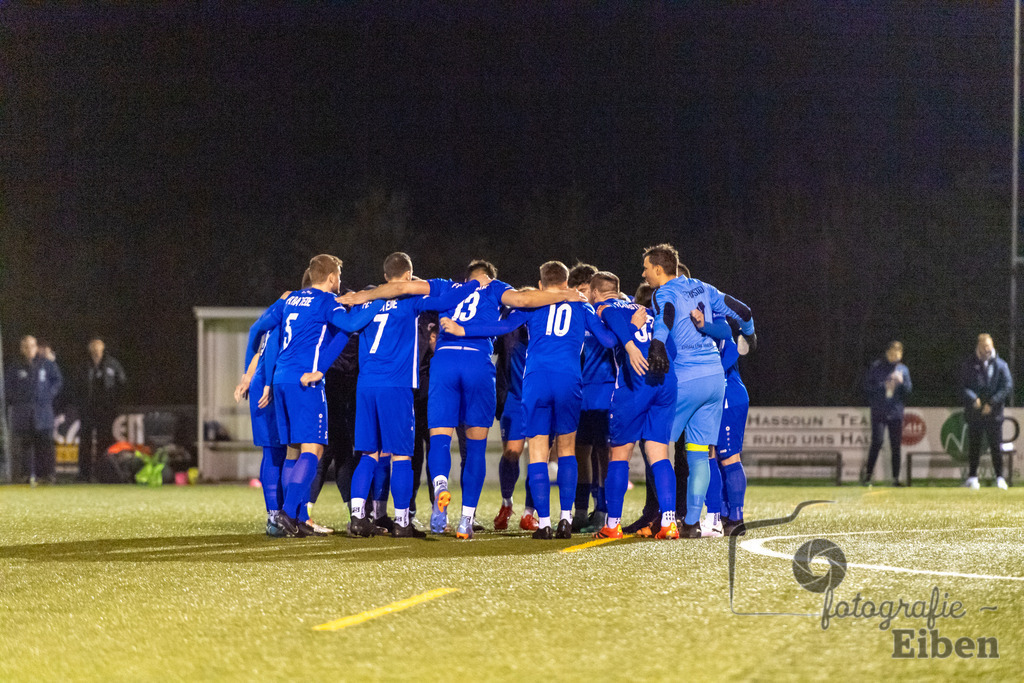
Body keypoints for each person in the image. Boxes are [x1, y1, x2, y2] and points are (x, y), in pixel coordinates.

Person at [339, 260, 586, 536]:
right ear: (489, 278)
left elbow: (401, 286)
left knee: (439, 440)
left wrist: (365, 294)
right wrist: (566, 294)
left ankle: (441, 485)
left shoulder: (445, 286)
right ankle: (466, 520)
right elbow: (523, 299)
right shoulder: (495, 288)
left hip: (443, 363)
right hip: (477, 364)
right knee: (476, 447)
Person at [442, 261, 618, 539]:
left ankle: (544, 523)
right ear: (566, 282)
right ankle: (565, 519)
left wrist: (463, 330)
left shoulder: (533, 305)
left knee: (537, 450)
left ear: (540, 284)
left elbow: (500, 327)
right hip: (568, 380)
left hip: (536, 381)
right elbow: (608, 341)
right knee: (567, 449)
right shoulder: (582, 305)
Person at [343, 252, 479, 538]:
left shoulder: (367, 299)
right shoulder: (410, 300)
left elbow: (350, 327)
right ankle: (403, 521)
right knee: (403, 455)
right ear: (409, 276)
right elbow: (449, 300)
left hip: (366, 385)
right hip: (396, 385)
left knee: (368, 453)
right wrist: (473, 285)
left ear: (385, 276)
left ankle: (358, 517)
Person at [249, 254, 386, 536]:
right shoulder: (326, 302)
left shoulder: (289, 299)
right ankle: (287, 514)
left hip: (280, 379)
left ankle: (297, 518)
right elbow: (350, 326)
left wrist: (246, 371)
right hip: (304, 381)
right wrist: (378, 301)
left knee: (293, 451)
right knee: (314, 450)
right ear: (332, 277)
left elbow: (259, 327)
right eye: (338, 275)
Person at [643, 243, 755, 538]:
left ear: (658, 268)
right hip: (715, 380)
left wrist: (656, 344)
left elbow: (666, 316)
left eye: (646, 268)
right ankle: (692, 522)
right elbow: (742, 311)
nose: (644, 274)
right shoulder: (704, 287)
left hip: (687, 379)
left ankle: (668, 518)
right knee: (698, 454)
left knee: (657, 445)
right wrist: (750, 333)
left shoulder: (663, 292)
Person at [590, 271, 681, 539]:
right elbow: (671, 349)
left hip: (635, 383)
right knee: (660, 455)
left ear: (596, 292)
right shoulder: (645, 309)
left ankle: (612, 524)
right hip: (665, 381)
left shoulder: (604, 306)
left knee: (619, 456)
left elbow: (610, 334)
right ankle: (668, 522)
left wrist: (629, 345)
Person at [569, 263, 615, 532]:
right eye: (578, 291)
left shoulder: (607, 312)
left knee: (604, 453)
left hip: (605, 391)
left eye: (586, 291)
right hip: (579, 392)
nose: (582, 296)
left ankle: (604, 509)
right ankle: (580, 510)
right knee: (579, 452)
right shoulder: (575, 313)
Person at [6, 335, 63, 485]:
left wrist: (48, 394)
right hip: (23, 413)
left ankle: (47, 475)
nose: (29, 349)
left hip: (43, 413)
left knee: (45, 445)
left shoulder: (46, 364)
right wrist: (17, 399)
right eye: (25, 346)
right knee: (25, 446)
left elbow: (57, 381)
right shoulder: (15, 367)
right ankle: (26, 475)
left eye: (32, 346)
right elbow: (8, 387)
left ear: (36, 347)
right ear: (21, 349)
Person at [961, 333, 1012, 490]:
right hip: (975, 413)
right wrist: (973, 399)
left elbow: (1007, 386)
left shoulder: (1001, 365)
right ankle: (972, 477)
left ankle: (999, 478)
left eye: (989, 346)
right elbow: (962, 386)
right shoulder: (969, 364)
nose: (987, 349)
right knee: (974, 446)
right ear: (978, 346)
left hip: (994, 413)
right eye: (984, 346)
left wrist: (993, 403)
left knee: (996, 447)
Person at [861, 341, 912, 486]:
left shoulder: (903, 369)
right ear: (887, 352)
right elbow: (867, 387)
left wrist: (902, 383)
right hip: (879, 411)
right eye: (892, 352)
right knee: (877, 442)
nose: (894, 355)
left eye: (898, 353)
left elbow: (909, 391)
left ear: (901, 355)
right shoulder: (877, 367)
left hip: (896, 412)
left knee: (895, 445)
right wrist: (884, 386)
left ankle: (896, 478)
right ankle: (868, 477)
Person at [77, 337, 127, 483]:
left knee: (104, 442)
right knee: (85, 442)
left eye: (98, 348)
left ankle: (103, 473)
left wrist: (115, 403)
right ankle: (84, 474)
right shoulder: (84, 365)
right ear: (89, 350)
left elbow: (122, 383)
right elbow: (77, 386)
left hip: (106, 411)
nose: (96, 351)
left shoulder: (112, 364)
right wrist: (80, 404)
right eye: (93, 348)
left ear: (103, 348)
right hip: (88, 410)